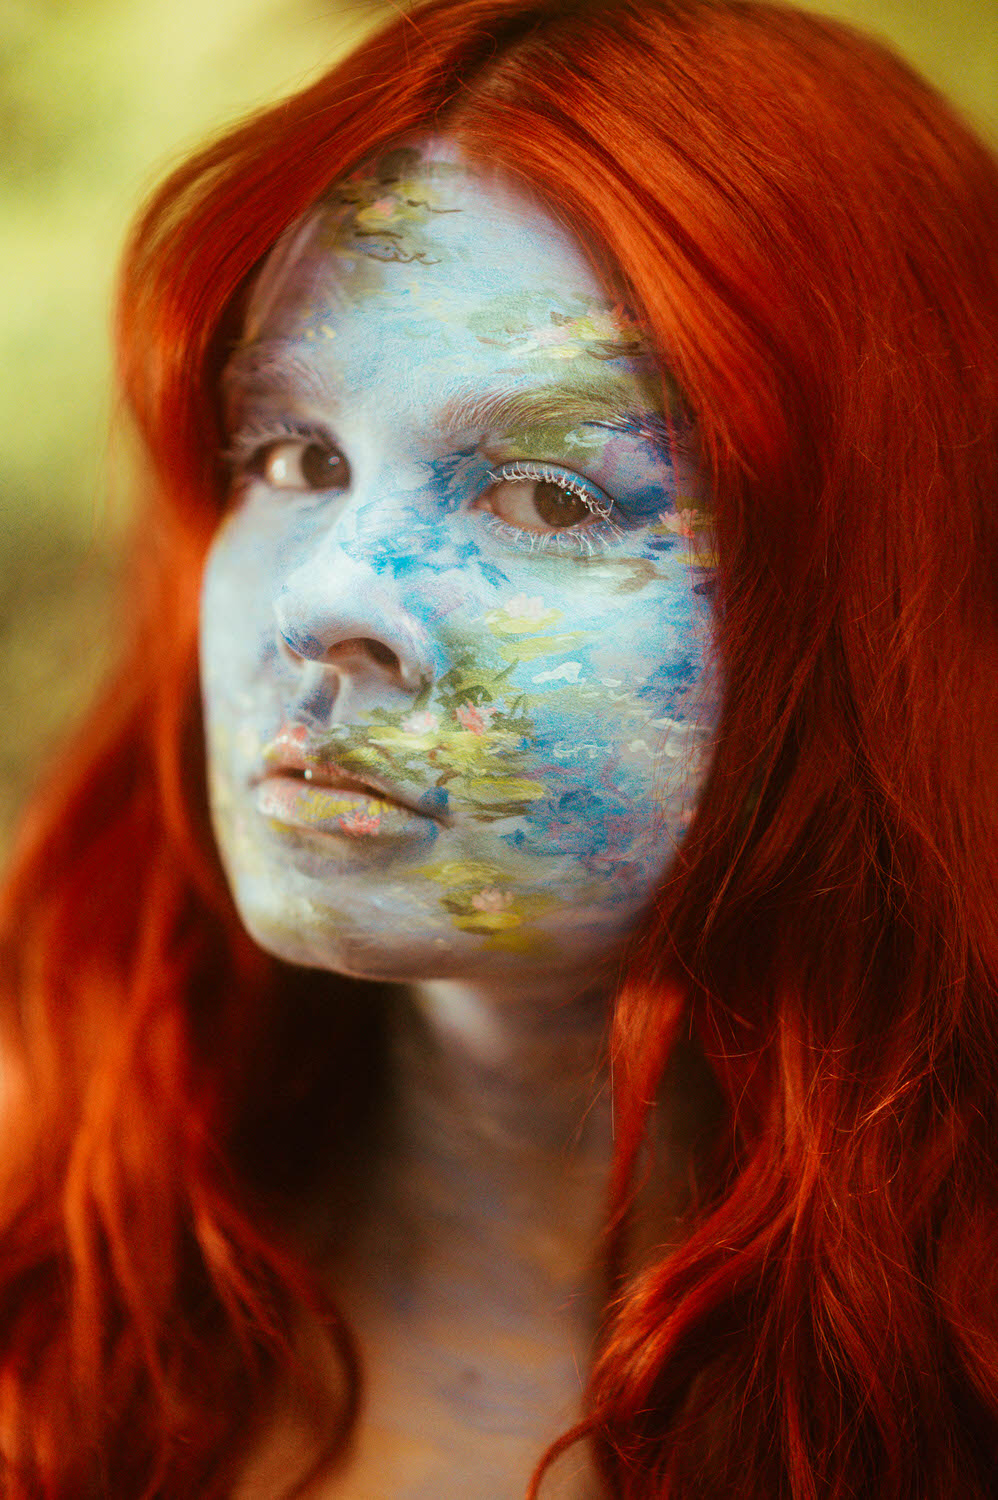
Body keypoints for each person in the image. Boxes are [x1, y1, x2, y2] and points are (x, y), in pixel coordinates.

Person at [1, 0, 996, 1494]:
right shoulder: (49, 1281)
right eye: (293, 456)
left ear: (883, 597)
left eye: (545, 494)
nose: (328, 596)